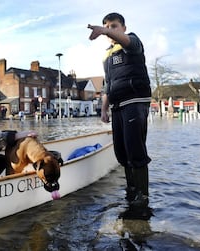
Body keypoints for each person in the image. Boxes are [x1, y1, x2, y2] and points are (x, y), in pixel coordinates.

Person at [88, 12, 151, 207]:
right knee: (121, 153)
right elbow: (108, 84)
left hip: (134, 102)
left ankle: (143, 196)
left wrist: (105, 31)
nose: (110, 30)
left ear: (123, 27)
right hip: (116, 106)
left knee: (135, 150)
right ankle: (131, 189)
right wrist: (104, 109)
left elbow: (127, 42)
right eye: (107, 26)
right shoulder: (107, 55)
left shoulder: (132, 42)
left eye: (113, 26)